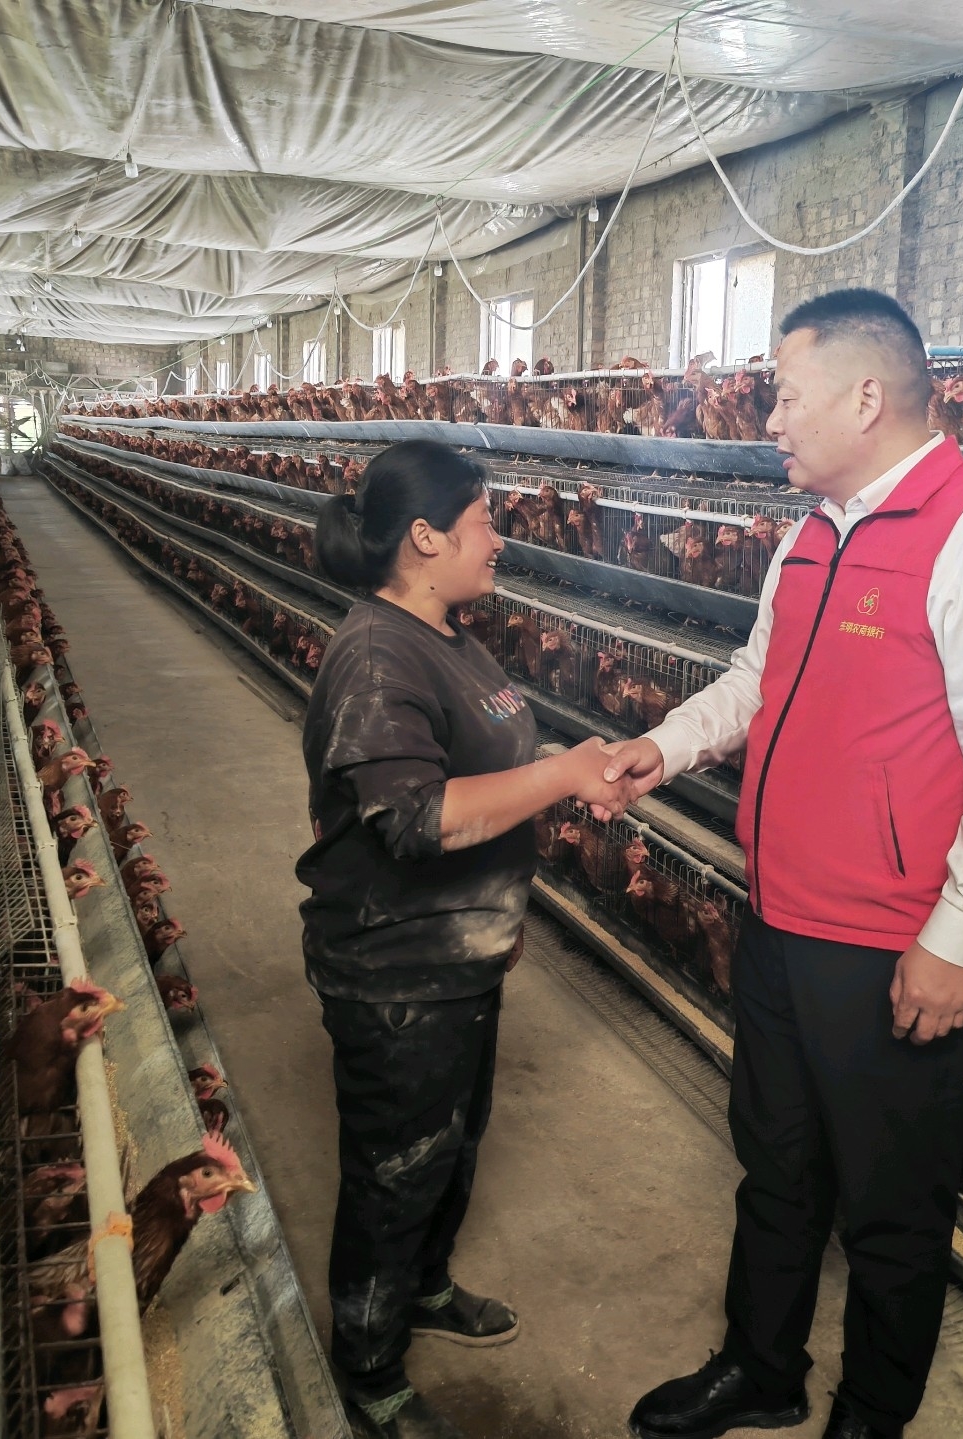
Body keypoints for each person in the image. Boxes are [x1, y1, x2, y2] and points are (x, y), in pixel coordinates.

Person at [609, 290, 963, 1439]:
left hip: (886, 943)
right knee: (774, 1163)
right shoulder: (812, 531)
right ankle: (760, 1364)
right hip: (779, 915)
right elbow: (756, 676)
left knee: (888, 1201)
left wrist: (953, 944)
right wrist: (664, 744)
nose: (769, 418)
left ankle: (869, 1415)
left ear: (865, 397)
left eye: (784, 394)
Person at [298, 439, 635, 1439]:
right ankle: (368, 1368)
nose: (498, 539)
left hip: (457, 952)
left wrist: (497, 912)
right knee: (395, 1166)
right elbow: (413, 820)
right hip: (394, 967)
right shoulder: (376, 656)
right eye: (484, 521)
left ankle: (425, 1285)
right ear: (425, 536)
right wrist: (561, 773)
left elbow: (481, 771)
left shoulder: (445, 632)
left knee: (451, 1141)